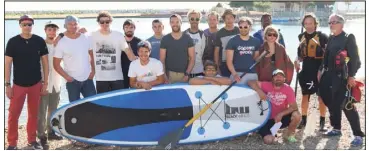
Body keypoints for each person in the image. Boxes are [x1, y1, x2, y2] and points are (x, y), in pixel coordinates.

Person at [318, 14, 365, 146]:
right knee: (330, 101)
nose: (331, 24)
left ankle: (358, 135)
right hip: (328, 76)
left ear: (341, 24)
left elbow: (356, 60)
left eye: (334, 22)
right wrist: (320, 71)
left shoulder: (348, 38)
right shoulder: (332, 38)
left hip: (342, 77)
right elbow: (325, 58)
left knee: (346, 104)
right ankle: (336, 128)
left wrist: (351, 76)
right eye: (330, 22)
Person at [5, 14, 48, 150]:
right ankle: (12, 143)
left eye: (29, 24)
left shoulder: (39, 41)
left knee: (33, 114)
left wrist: (45, 83)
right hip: (18, 85)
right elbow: (7, 64)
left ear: (32, 25)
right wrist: (7, 85)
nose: (27, 27)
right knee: (13, 115)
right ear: (20, 25)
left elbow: (45, 63)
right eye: (24, 24)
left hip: (36, 84)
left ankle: (32, 140)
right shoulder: (12, 42)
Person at [294, 13, 328, 131]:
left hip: (320, 69)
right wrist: (297, 61)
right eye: (306, 24)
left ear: (315, 24)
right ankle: (303, 120)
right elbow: (300, 54)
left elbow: (327, 56)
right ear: (303, 24)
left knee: (321, 97)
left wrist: (321, 69)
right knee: (305, 95)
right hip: (307, 69)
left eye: (310, 23)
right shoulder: (300, 36)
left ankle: (322, 122)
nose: (308, 26)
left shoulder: (322, 36)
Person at [248, 69, 301, 144]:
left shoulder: (288, 89)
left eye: (281, 76)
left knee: (297, 115)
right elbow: (250, 82)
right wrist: (259, 91)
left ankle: (289, 134)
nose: (278, 78)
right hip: (267, 120)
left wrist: (281, 114)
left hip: (280, 119)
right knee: (268, 140)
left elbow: (294, 107)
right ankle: (271, 132)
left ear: (284, 79)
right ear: (272, 79)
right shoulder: (266, 85)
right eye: (276, 76)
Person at [89, 11, 135, 93]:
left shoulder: (118, 35)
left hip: (117, 78)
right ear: (98, 23)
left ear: (111, 22)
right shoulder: (92, 35)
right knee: (103, 104)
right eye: (102, 22)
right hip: (101, 78)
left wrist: (138, 60)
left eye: (107, 22)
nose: (104, 24)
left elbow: (128, 53)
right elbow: (75, 34)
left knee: (119, 104)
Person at [53, 15, 97, 102]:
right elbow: (56, 64)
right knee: (74, 108)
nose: (73, 26)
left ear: (79, 25)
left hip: (88, 79)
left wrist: (93, 71)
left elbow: (92, 55)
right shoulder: (61, 42)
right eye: (70, 24)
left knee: (94, 105)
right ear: (65, 26)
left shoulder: (86, 37)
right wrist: (67, 77)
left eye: (75, 24)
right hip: (72, 81)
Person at [37, 21, 63, 149]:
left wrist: (62, 35)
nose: (52, 32)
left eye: (54, 30)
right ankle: (41, 134)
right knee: (41, 110)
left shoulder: (60, 44)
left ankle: (51, 131)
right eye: (49, 30)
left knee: (53, 109)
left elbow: (81, 31)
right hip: (43, 81)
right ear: (45, 31)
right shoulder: (39, 44)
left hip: (57, 81)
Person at [160, 14, 195, 83]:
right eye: (172, 22)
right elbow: (162, 59)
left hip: (184, 74)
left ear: (181, 23)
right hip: (169, 74)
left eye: (177, 22)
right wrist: (164, 76)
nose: (175, 24)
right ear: (170, 24)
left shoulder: (188, 38)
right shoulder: (165, 39)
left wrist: (187, 74)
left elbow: (192, 59)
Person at [226, 17, 261, 84]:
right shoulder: (232, 41)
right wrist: (235, 74)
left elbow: (255, 59)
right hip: (237, 74)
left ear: (250, 27)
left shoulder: (256, 41)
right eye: (240, 27)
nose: (243, 29)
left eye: (245, 27)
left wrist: (261, 57)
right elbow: (229, 61)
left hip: (252, 73)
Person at [214, 9, 239, 77]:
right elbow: (216, 51)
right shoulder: (220, 33)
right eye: (227, 18)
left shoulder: (239, 30)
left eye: (231, 18)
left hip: (238, 62)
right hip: (224, 64)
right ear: (224, 20)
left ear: (234, 19)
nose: (229, 20)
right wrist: (217, 67)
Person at [184, 9, 206, 78]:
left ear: (199, 20)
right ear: (189, 20)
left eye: (197, 19)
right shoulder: (184, 34)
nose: (194, 21)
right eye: (192, 19)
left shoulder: (203, 34)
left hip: (200, 70)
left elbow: (205, 53)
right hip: (186, 71)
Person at [121, 19, 142, 88]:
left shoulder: (140, 42)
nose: (129, 29)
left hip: (136, 74)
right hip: (122, 74)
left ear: (134, 28)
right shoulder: (119, 41)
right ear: (123, 29)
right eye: (126, 28)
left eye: (131, 27)